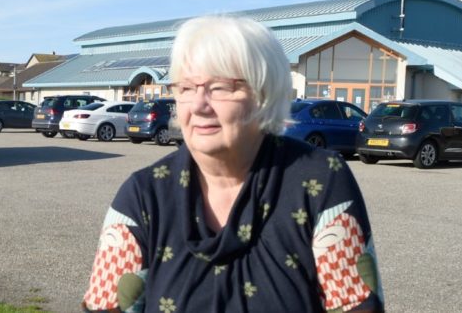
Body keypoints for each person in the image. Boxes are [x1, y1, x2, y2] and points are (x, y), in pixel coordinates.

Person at [82, 16, 384, 313]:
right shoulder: (144, 195)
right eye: (186, 88)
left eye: (221, 87)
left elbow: (356, 304)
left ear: (263, 94)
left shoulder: (318, 181)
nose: (199, 105)